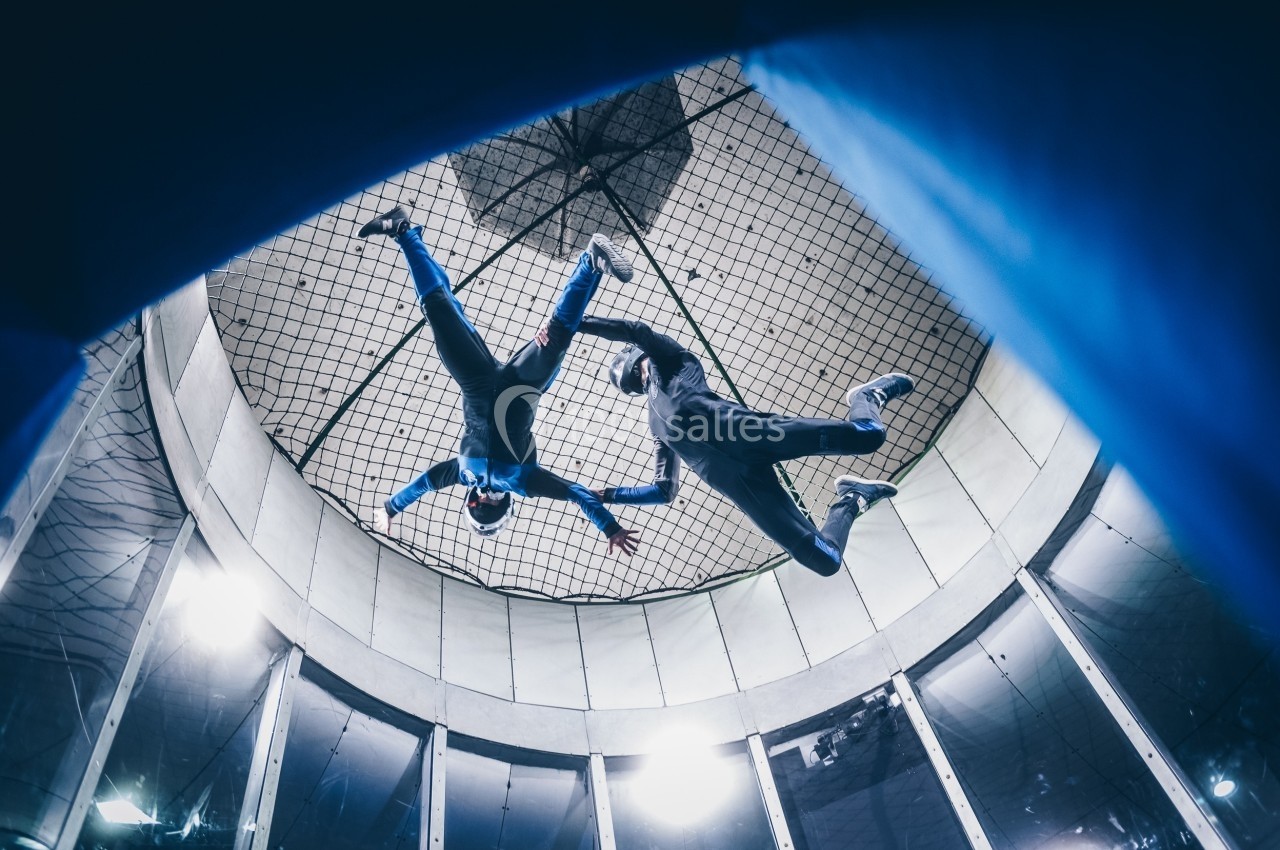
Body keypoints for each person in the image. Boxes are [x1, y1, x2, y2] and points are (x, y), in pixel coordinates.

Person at [359, 206, 640, 557]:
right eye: (491, 507)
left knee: (439, 310)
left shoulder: (461, 475)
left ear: (470, 500)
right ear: (506, 505)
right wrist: (609, 527)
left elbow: (422, 486)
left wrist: (390, 508)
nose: (484, 500)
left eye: (478, 506)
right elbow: (576, 493)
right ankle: (591, 261)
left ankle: (402, 230)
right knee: (555, 336)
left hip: (475, 381)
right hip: (521, 390)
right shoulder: (525, 481)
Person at [545, 315, 913, 575]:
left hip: (754, 434)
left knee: (868, 435)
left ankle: (869, 395)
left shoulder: (673, 361)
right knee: (825, 561)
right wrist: (608, 494)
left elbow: (636, 330)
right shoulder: (654, 423)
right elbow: (664, 489)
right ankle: (852, 497)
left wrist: (572, 323)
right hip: (742, 484)